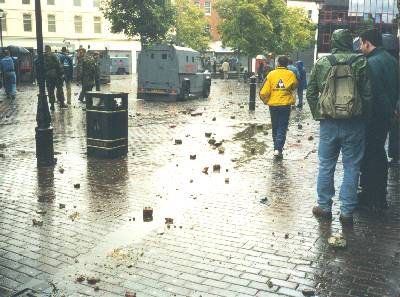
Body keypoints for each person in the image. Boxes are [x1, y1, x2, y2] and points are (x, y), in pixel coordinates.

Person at [306, 29, 373, 226]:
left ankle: (324, 207)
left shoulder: (322, 62)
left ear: (333, 42)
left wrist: (319, 115)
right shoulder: (361, 62)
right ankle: (346, 211)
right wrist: (365, 118)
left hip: (328, 123)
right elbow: (368, 95)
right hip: (354, 122)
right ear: (349, 42)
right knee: (352, 166)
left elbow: (311, 93)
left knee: (326, 165)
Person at [358, 29, 399, 210]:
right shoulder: (392, 60)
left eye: (361, 43)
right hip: (386, 114)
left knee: (370, 154)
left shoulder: (371, 62)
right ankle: (378, 194)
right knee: (378, 152)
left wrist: (386, 111)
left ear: (368, 42)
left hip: (374, 116)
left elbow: (374, 92)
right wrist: (393, 110)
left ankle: (371, 195)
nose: (360, 47)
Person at [259, 55, 298, 160]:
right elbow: (295, 85)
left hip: (273, 105)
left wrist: (266, 101)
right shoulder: (291, 74)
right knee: (282, 127)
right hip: (285, 105)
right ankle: (278, 149)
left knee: (275, 126)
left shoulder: (271, 74)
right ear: (287, 64)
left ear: (278, 63)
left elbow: (263, 91)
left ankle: (276, 148)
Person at [43, 45, 66, 110]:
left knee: (50, 91)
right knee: (59, 89)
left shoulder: (43, 56)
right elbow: (59, 64)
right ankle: (62, 103)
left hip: (48, 76)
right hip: (55, 75)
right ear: (50, 49)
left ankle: (52, 105)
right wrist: (62, 73)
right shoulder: (53, 55)